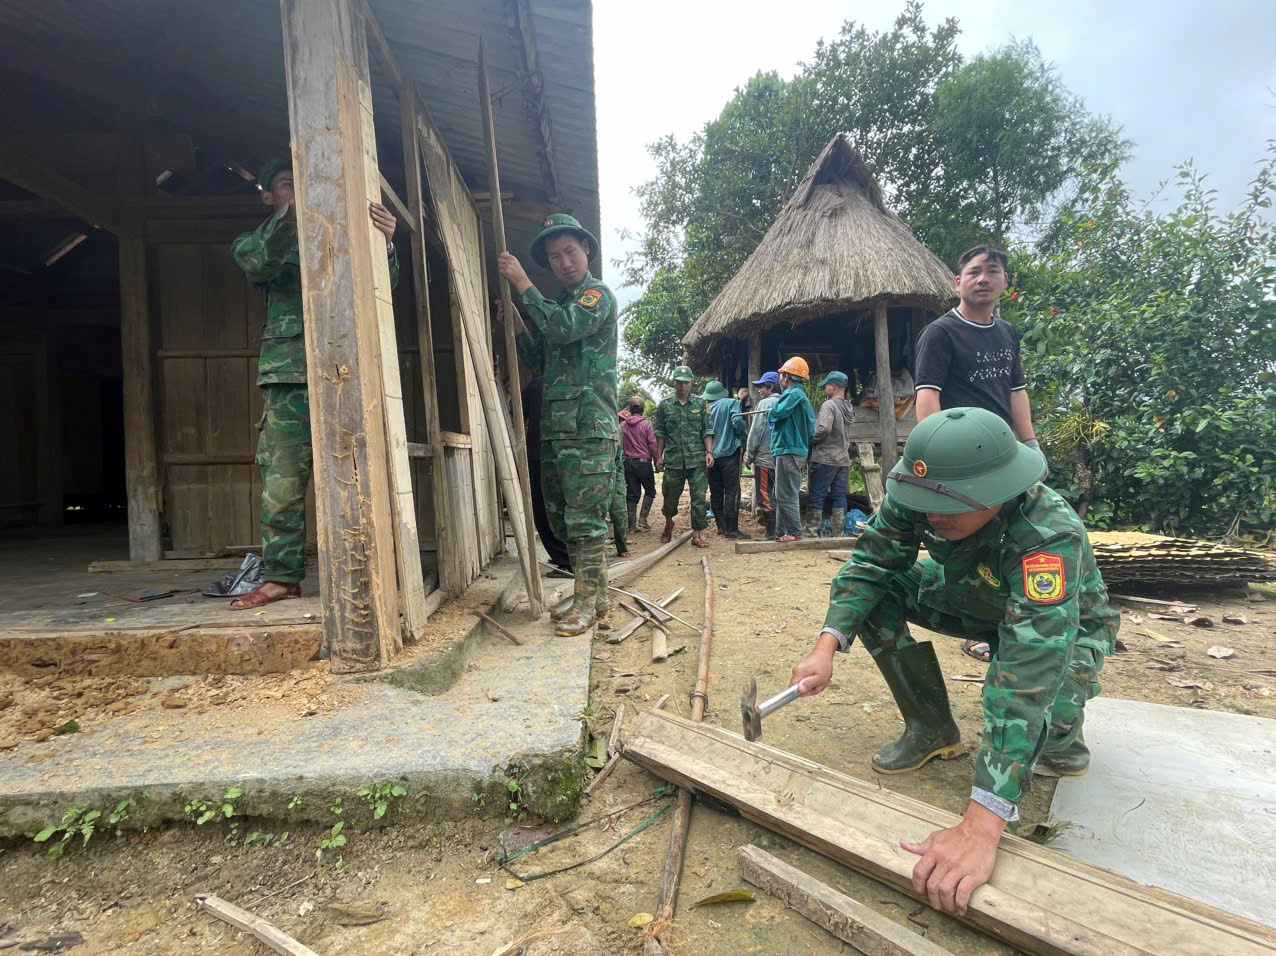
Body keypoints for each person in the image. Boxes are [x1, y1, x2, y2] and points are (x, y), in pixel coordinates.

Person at [789, 407, 1118, 916]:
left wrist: (982, 824)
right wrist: (826, 645)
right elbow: (872, 563)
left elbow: (1028, 673)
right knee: (879, 596)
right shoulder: (921, 497)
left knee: (1047, 724)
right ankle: (931, 728)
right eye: (925, 502)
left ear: (999, 489)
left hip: (1062, 628)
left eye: (950, 505)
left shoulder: (1047, 534)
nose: (934, 516)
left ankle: (1065, 735)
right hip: (973, 596)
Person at [229, 157, 398, 609]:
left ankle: (365, 572)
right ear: (268, 195)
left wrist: (386, 245)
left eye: (305, 183)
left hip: (346, 371)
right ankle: (283, 577)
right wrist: (297, 210)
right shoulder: (258, 241)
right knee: (282, 483)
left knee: (358, 476)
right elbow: (257, 261)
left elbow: (386, 289)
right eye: (288, 184)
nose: (298, 191)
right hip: (288, 379)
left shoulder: (346, 236)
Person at [915, 244, 1041, 663]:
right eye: (974, 272)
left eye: (992, 271)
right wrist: (934, 460)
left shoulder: (1006, 333)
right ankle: (985, 622)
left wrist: (1031, 446)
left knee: (1015, 536)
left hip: (1005, 456)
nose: (983, 279)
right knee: (973, 538)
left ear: (1005, 282)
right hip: (964, 458)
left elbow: (1016, 393)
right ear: (958, 282)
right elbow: (927, 398)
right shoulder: (941, 333)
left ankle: (1013, 623)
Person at [499, 213, 618, 637]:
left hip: (587, 427)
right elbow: (540, 359)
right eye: (554, 257)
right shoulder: (562, 305)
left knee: (585, 520)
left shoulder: (595, 297)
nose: (564, 262)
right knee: (565, 516)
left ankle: (589, 602)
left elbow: (563, 330)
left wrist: (522, 285)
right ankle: (594, 593)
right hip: (561, 428)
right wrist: (517, 327)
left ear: (586, 249)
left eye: (570, 251)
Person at [654, 366, 713, 549]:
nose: (682, 386)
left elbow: (707, 430)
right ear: (674, 382)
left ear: (691, 383)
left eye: (685, 382)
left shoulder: (700, 404)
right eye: (679, 382)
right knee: (670, 496)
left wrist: (709, 452)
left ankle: (698, 534)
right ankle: (669, 522)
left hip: (697, 460)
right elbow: (660, 433)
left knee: (699, 498)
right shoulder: (664, 405)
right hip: (673, 460)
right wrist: (659, 456)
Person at [521, 375, 571, 573]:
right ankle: (569, 556)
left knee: (542, 509)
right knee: (563, 506)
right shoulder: (567, 380)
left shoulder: (535, 385)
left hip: (539, 453)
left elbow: (517, 413)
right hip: (566, 455)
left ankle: (565, 559)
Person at [768, 357, 816, 542]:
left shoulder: (793, 394)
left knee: (786, 493)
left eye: (781, 375)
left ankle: (794, 532)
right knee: (782, 493)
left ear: (787, 376)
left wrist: (771, 412)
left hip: (789, 449)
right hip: (790, 449)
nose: (780, 379)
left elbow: (777, 413)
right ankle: (781, 532)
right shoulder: (798, 395)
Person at [808, 370, 855, 537]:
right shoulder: (848, 406)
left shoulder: (829, 405)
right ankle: (838, 533)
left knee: (817, 494)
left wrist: (811, 440)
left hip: (825, 457)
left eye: (826, 385)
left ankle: (812, 531)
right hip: (843, 459)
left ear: (834, 387)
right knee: (839, 495)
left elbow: (824, 428)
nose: (824, 389)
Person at [701, 379, 750, 540]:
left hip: (710, 457)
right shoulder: (731, 403)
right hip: (729, 454)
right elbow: (737, 422)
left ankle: (721, 526)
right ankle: (732, 529)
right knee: (732, 491)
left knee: (716, 492)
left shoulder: (705, 408)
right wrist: (743, 438)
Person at [745, 371, 781, 539]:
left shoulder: (765, 404)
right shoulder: (785, 402)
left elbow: (756, 431)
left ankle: (771, 532)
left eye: (761, 387)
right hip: (782, 458)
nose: (759, 390)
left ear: (770, 387)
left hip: (765, 459)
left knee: (765, 495)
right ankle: (782, 528)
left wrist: (749, 454)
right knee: (781, 493)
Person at [620, 396, 658, 531]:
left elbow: (620, 445)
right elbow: (652, 444)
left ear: (630, 409)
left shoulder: (623, 425)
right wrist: (657, 460)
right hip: (644, 464)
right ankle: (642, 519)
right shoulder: (646, 424)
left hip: (628, 463)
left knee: (631, 494)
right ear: (643, 409)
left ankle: (631, 526)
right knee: (650, 491)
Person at [609, 421, 630, 559]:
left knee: (619, 511)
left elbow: (618, 457)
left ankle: (622, 547)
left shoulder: (616, 428)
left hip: (614, 471)